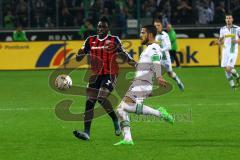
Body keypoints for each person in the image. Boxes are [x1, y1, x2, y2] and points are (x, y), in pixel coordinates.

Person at [73, 17, 135, 140]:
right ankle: (87, 133)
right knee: (90, 102)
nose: (100, 29)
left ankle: (115, 119)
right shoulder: (90, 40)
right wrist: (79, 54)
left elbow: (124, 53)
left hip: (110, 73)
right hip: (95, 75)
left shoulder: (114, 40)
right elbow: (78, 58)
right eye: (99, 26)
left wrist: (135, 63)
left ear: (108, 28)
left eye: (103, 27)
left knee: (101, 97)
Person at [114, 25, 174, 146]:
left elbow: (156, 61)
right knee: (121, 109)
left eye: (143, 33)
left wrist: (159, 77)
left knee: (122, 108)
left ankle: (159, 113)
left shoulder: (154, 48)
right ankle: (127, 139)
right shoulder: (148, 49)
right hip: (140, 83)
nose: (140, 35)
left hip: (142, 84)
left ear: (150, 35)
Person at [154, 19, 184, 91]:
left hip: (165, 58)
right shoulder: (153, 35)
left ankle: (178, 81)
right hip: (157, 58)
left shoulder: (164, 35)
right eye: (155, 26)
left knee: (170, 73)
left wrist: (161, 49)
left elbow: (169, 46)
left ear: (161, 26)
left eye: (158, 25)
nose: (157, 27)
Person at [218, 13, 240, 89]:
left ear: (232, 19)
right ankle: (233, 86)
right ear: (225, 20)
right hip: (225, 50)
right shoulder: (222, 29)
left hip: (233, 50)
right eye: (227, 18)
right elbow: (220, 40)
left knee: (228, 68)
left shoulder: (237, 28)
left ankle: (237, 76)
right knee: (226, 69)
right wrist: (220, 42)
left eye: (229, 18)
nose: (228, 20)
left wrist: (237, 41)